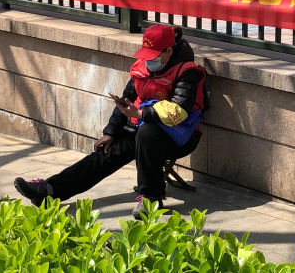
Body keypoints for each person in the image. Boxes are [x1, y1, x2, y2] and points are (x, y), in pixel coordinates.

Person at [13, 24, 206, 219]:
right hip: (141, 130)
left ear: (169, 50)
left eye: (154, 55)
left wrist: (139, 114)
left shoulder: (188, 72)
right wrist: (110, 132)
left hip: (179, 137)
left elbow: (178, 111)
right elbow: (125, 102)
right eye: (146, 54)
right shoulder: (142, 68)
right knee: (106, 153)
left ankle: (151, 198)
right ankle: (50, 190)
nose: (148, 60)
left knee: (147, 133)